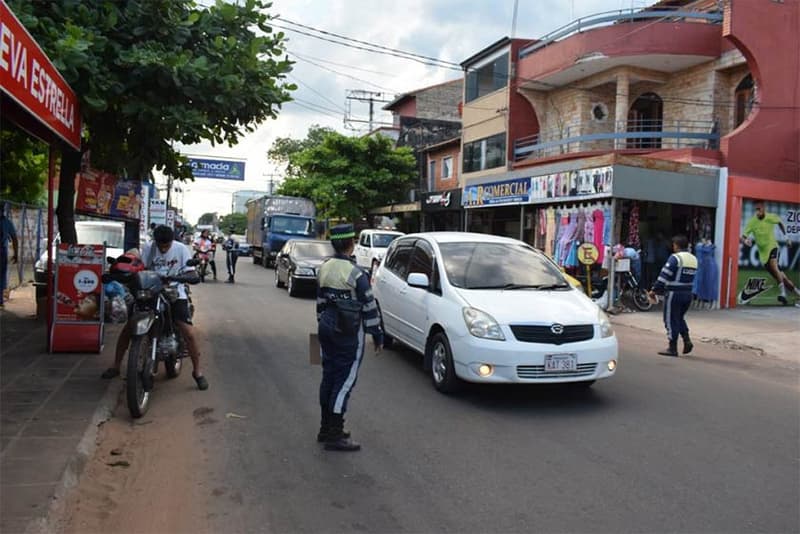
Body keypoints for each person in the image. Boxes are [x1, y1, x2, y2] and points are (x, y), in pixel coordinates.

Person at [102, 225, 208, 390]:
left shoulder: (181, 250)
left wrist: (184, 276)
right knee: (129, 327)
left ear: (172, 241)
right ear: (156, 242)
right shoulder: (148, 249)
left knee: (189, 332)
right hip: (150, 292)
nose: (163, 248)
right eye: (160, 245)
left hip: (174, 292)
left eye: (166, 245)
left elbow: (191, 272)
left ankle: (198, 372)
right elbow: (138, 267)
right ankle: (116, 366)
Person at [316, 223, 383, 452]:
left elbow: (321, 303)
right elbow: (369, 307)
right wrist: (377, 336)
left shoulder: (323, 268)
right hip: (348, 333)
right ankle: (335, 434)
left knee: (328, 377)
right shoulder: (356, 274)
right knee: (344, 382)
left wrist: (322, 328)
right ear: (351, 244)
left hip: (325, 329)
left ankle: (325, 429)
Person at [740, 201, 800, 306]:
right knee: (783, 278)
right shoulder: (752, 222)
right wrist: (745, 241)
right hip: (764, 256)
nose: (757, 212)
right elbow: (743, 237)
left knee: (774, 264)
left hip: (773, 247)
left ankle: (783, 294)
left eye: (759, 209)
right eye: (756, 209)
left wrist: (786, 238)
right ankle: (798, 293)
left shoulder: (771, 217)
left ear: (763, 209)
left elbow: (780, 223)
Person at [648, 235, 698, 357]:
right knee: (679, 318)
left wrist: (654, 290)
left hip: (674, 293)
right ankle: (687, 340)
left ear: (676, 245)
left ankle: (672, 347)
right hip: (688, 293)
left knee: (670, 319)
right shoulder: (693, 259)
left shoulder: (675, 258)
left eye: (673, 245)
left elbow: (664, 275)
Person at [0, 201, 19, 307]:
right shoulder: (7, 222)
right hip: (2, 252)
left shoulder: (7, 223)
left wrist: (16, 254)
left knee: (2, 275)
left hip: (2, 252)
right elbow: (14, 239)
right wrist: (16, 254)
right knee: (1, 276)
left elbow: (14, 239)